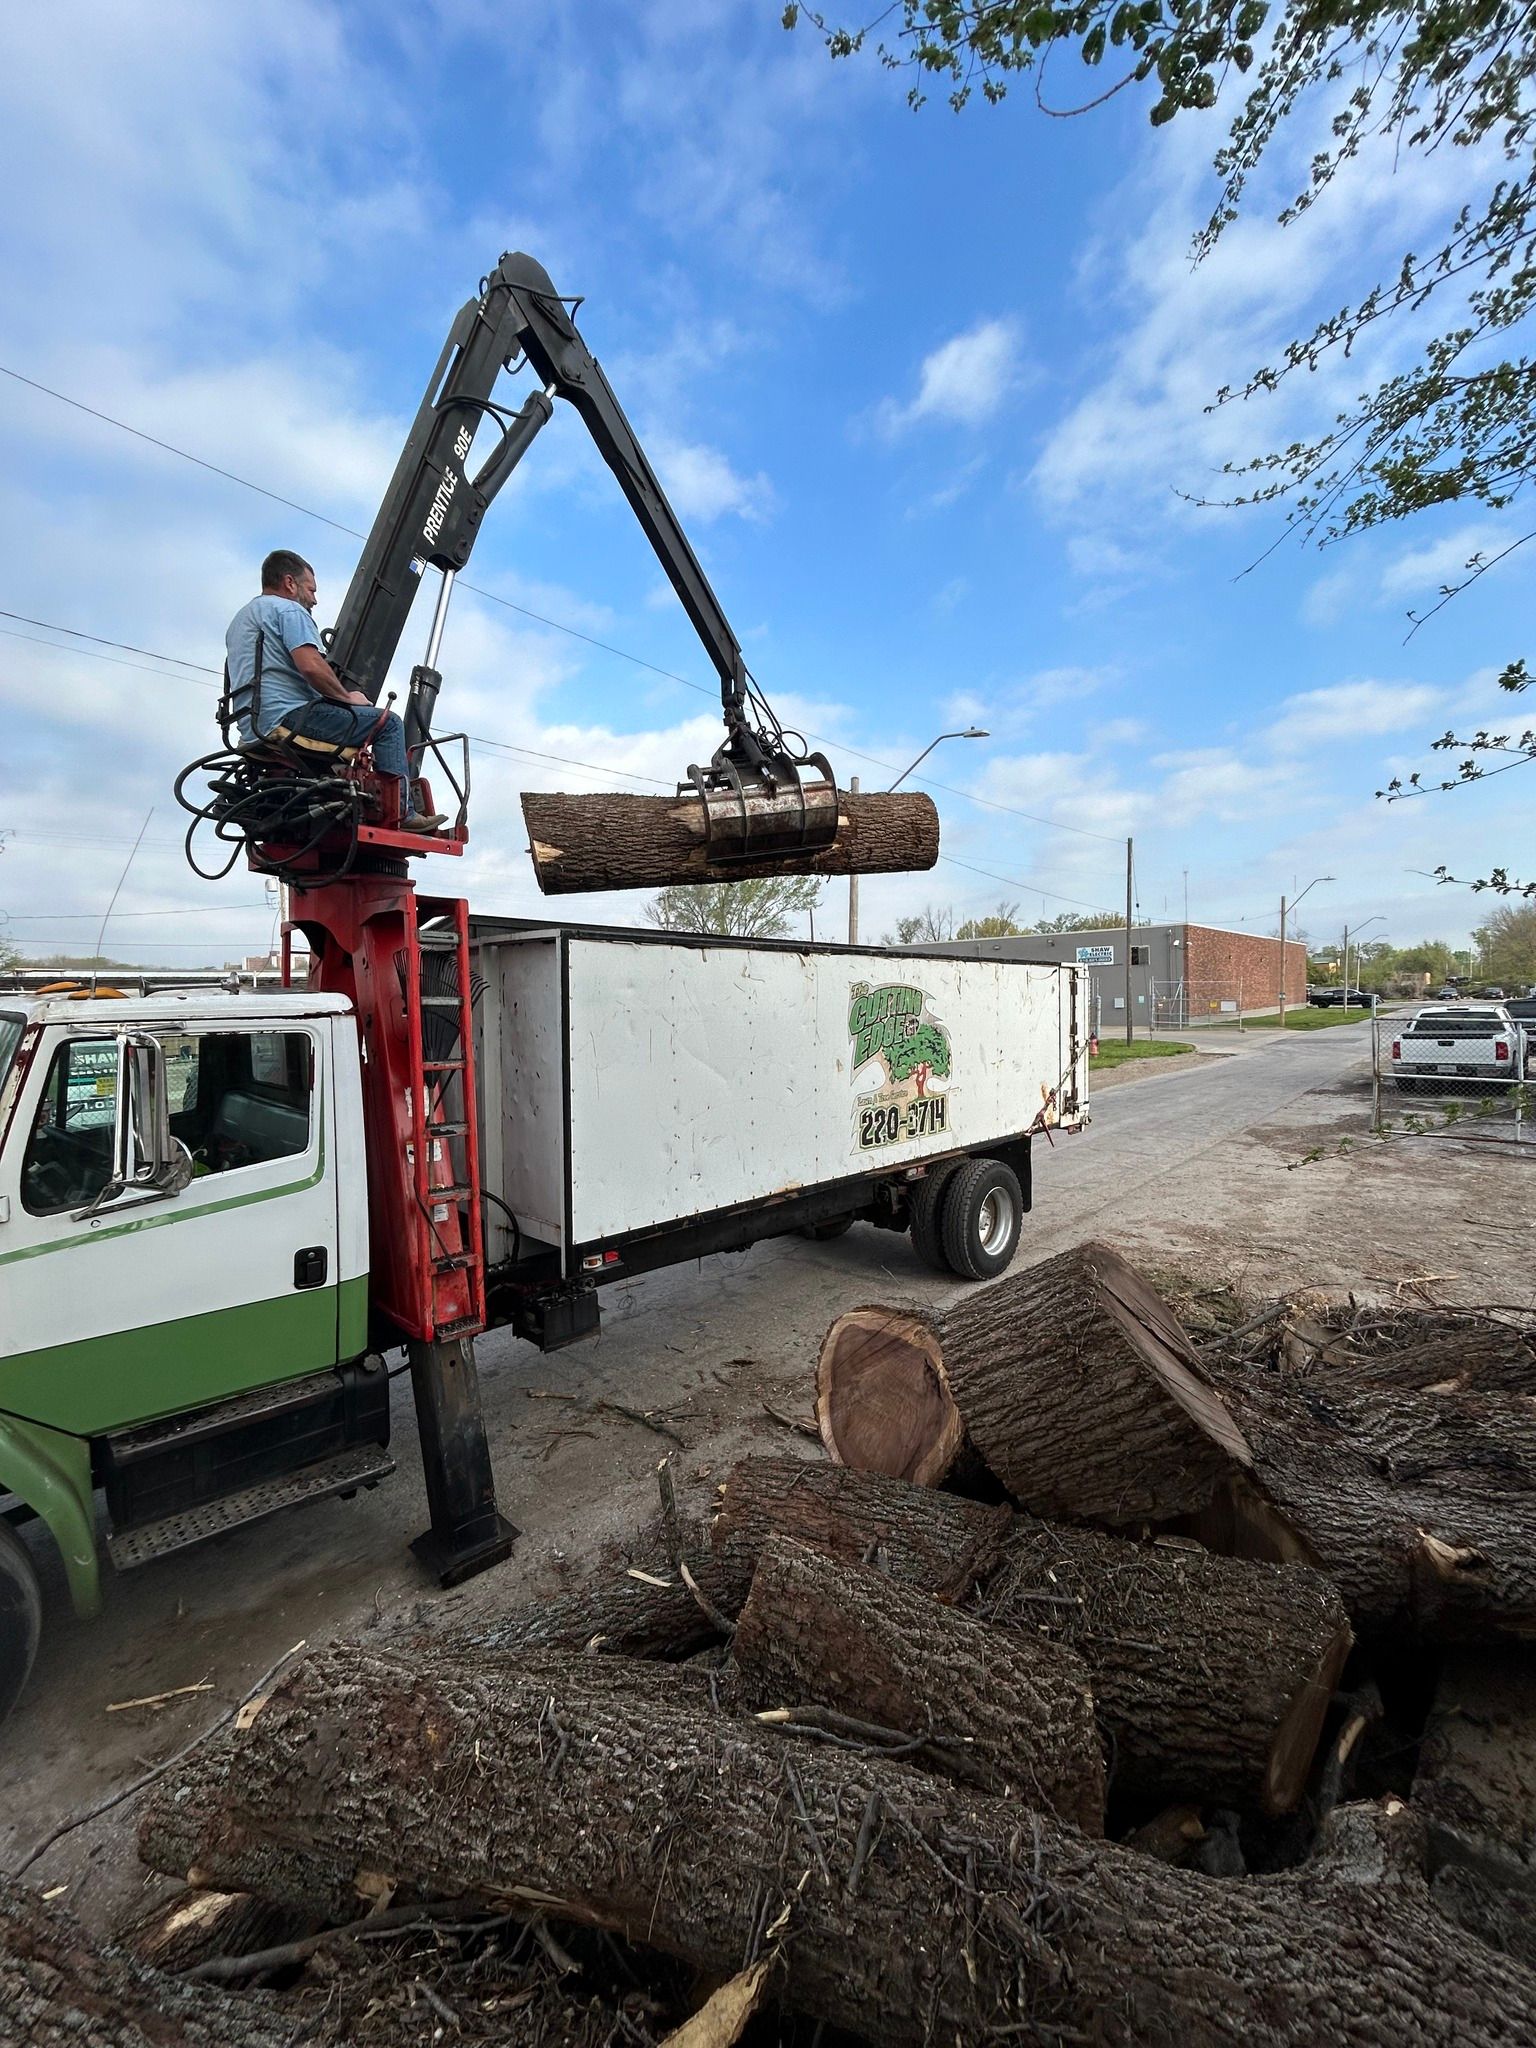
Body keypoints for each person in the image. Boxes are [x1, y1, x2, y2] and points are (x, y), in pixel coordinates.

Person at [225, 550, 444, 831]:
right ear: (290, 583)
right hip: (290, 717)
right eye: (311, 590)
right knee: (387, 723)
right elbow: (311, 667)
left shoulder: (241, 619)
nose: (314, 599)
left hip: (253, 724)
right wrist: (346, 697)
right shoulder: (289, 610)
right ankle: (404, 814)